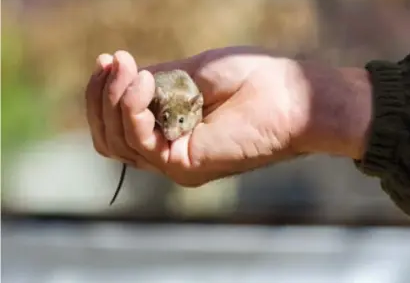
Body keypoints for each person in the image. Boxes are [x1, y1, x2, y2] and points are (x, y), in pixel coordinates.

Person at [85, 47, 410, 216]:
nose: (172, 131)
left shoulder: (193, 104)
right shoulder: (175, 104)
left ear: (193, 110)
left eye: (178, 123)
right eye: (168, 121)